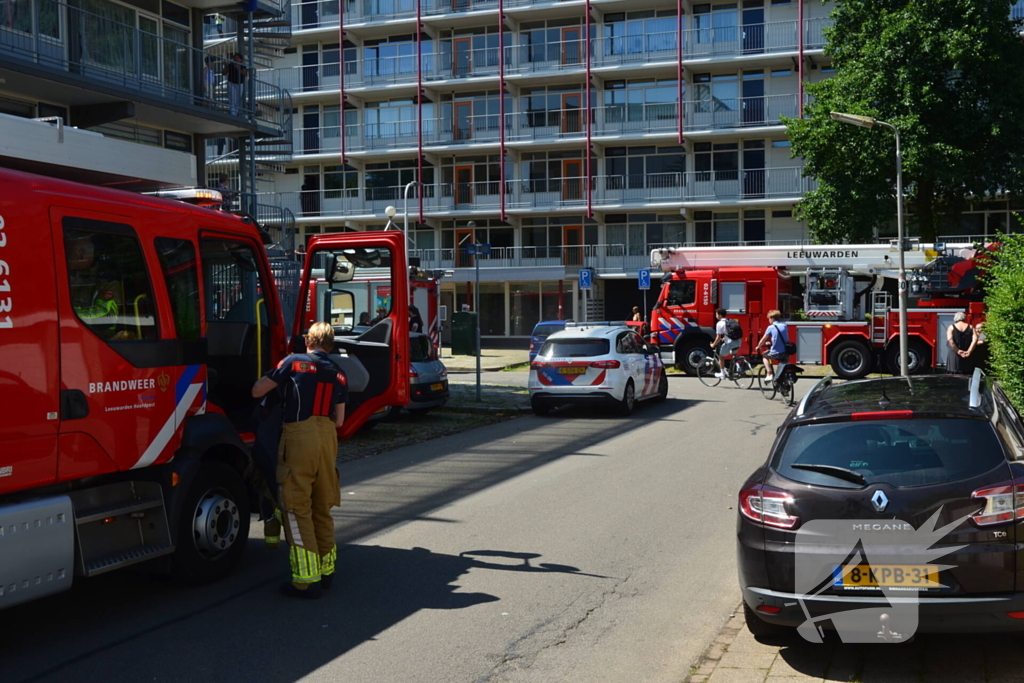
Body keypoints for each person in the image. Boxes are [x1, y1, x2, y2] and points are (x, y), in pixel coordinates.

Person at [251, 322, 348, 599]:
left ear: (308, 341)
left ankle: (305, 581)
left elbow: (258, 391)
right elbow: (339, 421)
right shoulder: (339, 373)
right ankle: (326, 572)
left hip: (299, 438)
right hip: (327, 440)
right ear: (330, 344)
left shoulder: (293, 362)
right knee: (321, 507)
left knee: (296, 508)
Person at [757, 309, 790, 383]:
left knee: (765, 356)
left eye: (769, 318)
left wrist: (758, 346)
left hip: (776, 353)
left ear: (772, 318)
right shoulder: (784, 326)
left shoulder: (770, 327)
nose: (769, 320)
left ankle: (769, 373)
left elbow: (763, 340)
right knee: (783, 364)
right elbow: (786, 338)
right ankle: (784, 382)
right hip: (785, 352)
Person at [711, 308, 742, 379]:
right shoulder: (730, 320)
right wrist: (724, 338)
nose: (715, 315)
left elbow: (718, 337)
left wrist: (713, 344)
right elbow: (729, 333)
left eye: (716, 314)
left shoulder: (719, 323)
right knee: (734, 354)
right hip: (738, 342)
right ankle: (739, 368)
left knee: (721, 357)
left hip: (730, 343)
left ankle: (722, 374)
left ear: (720, 315)